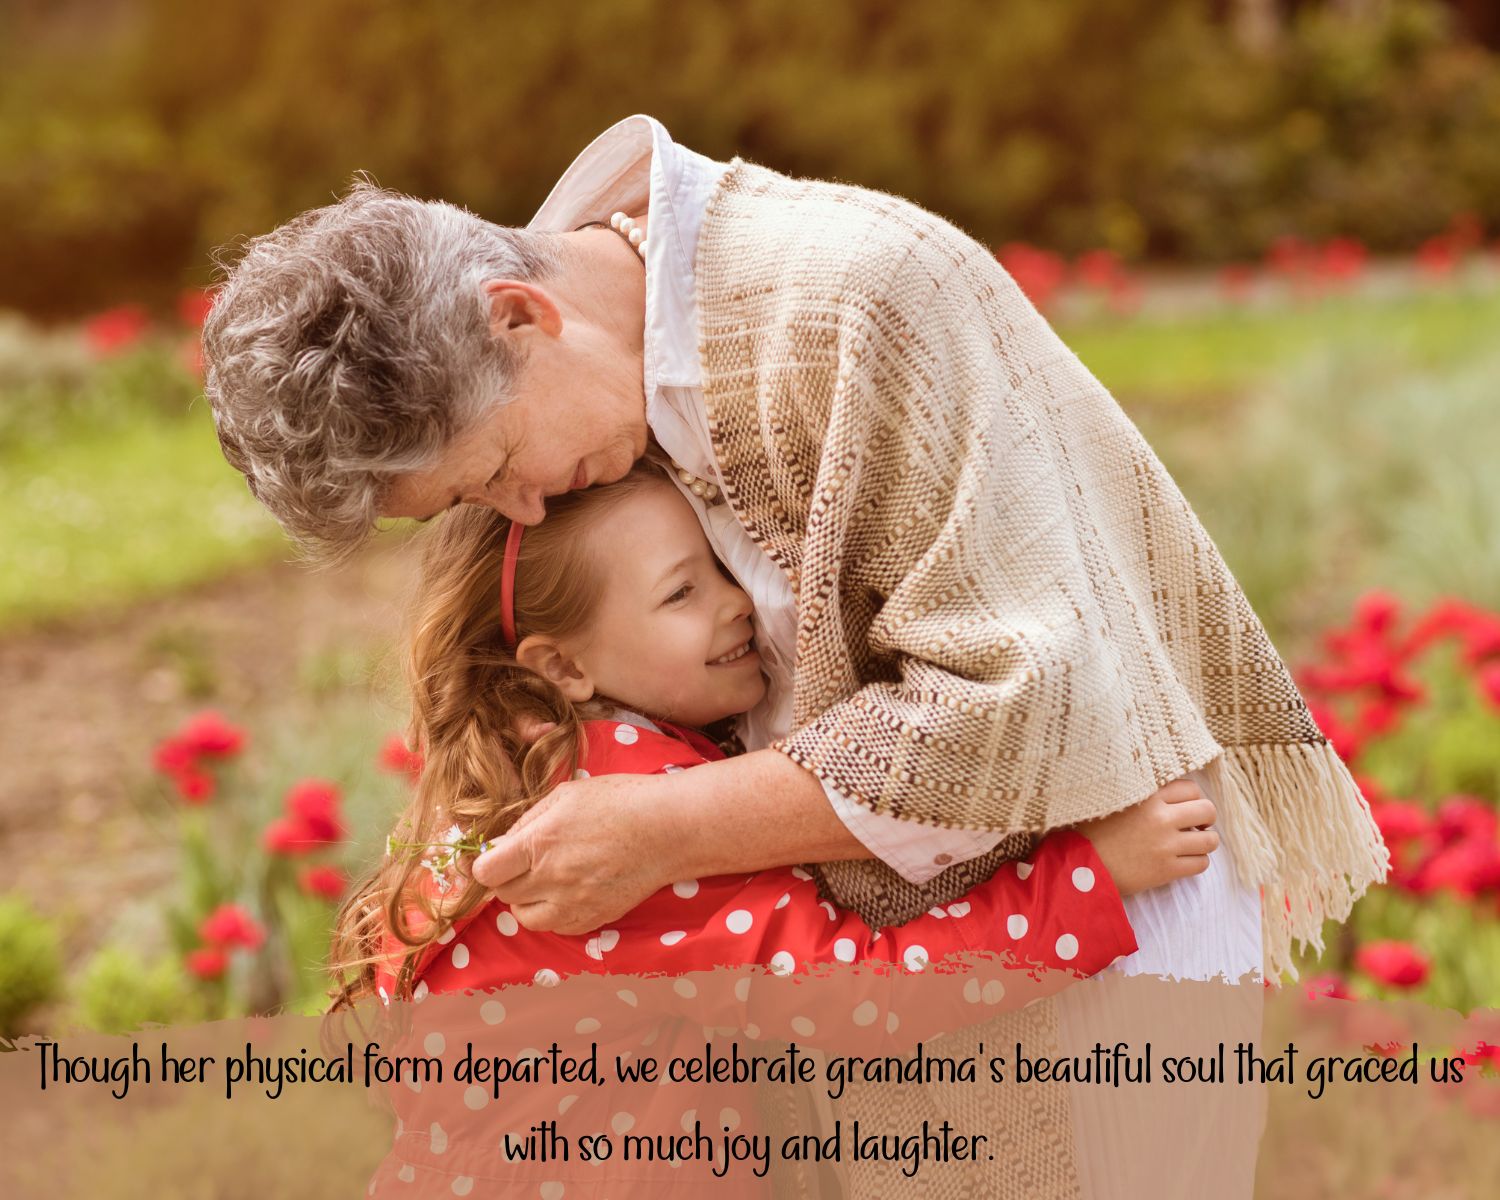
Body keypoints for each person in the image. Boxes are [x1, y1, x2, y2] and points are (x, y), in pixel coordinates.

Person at [204, 115, 1386, 1197]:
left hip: (1093, 924)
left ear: (521, 315)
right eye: (468, 500)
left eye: (497, 466)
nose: (513, 513)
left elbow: (1020, 709)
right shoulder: (588, 400)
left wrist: (663, 833)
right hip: (879, 999)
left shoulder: (855, 305)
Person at [337, 461, 1218, 1196]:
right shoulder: (629, 833)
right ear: (562, 665)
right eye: (682, 591)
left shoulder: (520, 777)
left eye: (723, 567)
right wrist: (1087, 878)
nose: (736, 604)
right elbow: (864, 996)